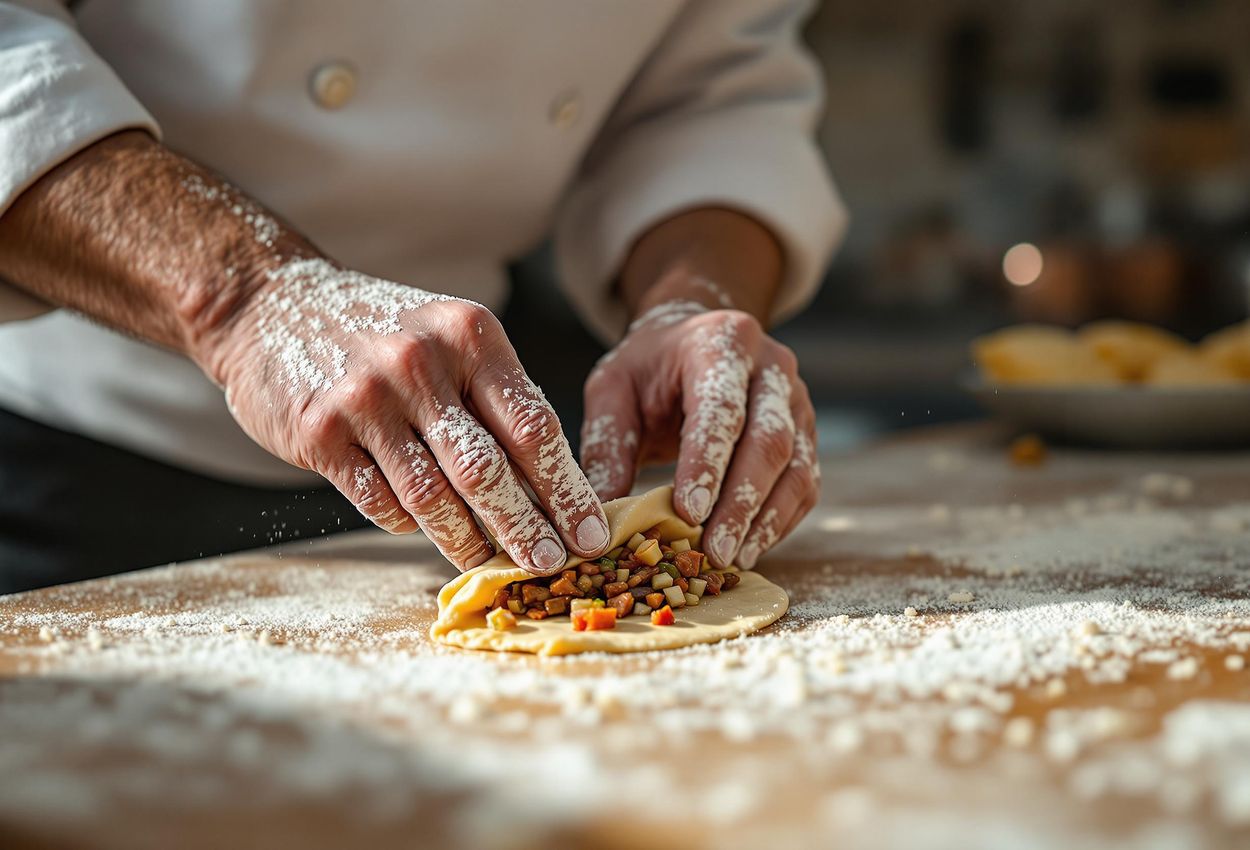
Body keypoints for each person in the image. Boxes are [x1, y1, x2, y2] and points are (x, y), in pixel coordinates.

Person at [0, 0, 845, 593]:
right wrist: (248, 297)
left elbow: (712, 101)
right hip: (82, 454)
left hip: (465, 456)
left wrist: (688, 302)